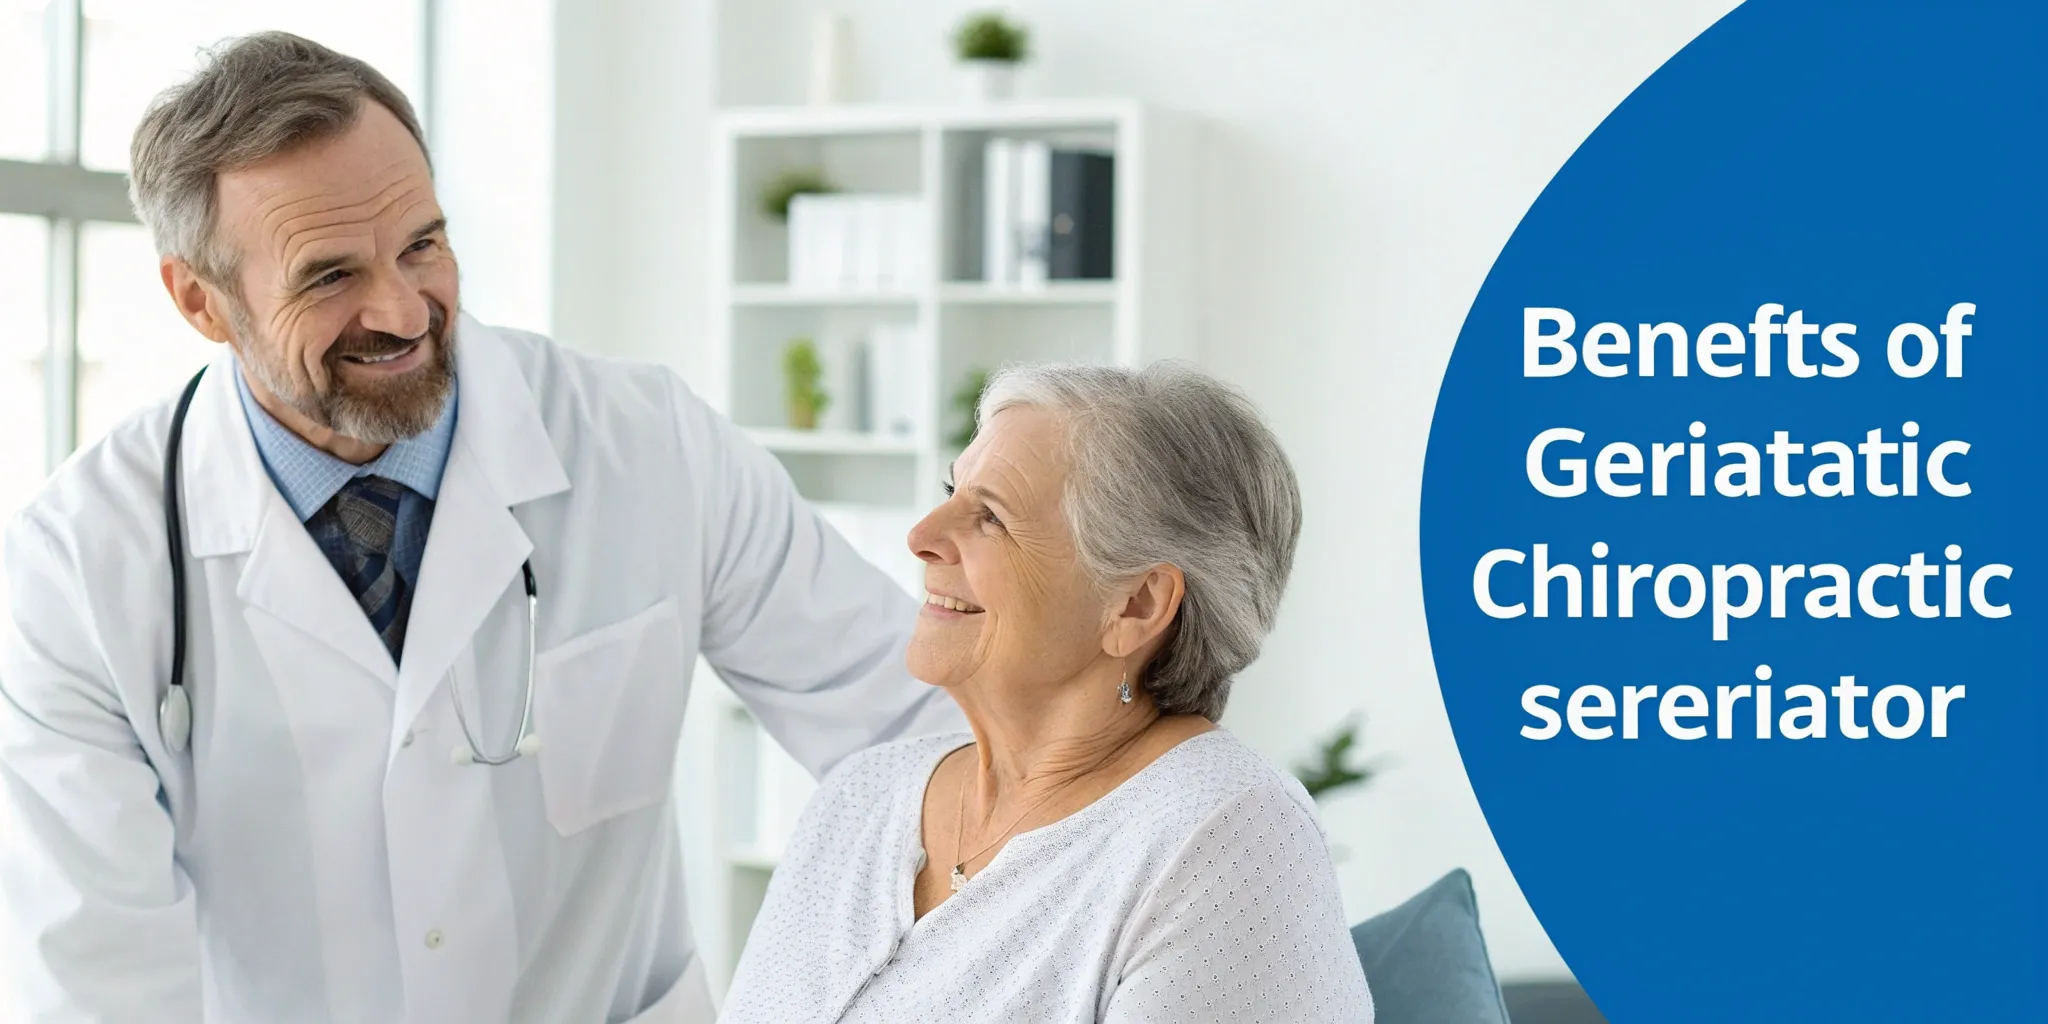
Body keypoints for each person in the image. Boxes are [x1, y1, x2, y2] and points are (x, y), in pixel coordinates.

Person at [0, 33, 958, 1023]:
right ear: (200, 300)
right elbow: (96, 986)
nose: (402, 309)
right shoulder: (78, 568)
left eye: (422, 243)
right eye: (329, 276)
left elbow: (920, 725)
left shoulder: (649, 442)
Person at [720, 362, 1375, 1022]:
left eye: (990, 517)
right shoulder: (860, 797)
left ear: (1137, 605)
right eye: (951, 490)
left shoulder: (1230, 839)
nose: (921, 537)